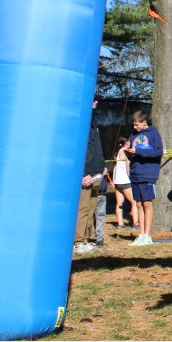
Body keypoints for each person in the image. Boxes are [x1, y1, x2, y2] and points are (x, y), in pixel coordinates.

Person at [128, 109, 163, 246]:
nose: (134, 127)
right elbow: (134, 150)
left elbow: (158, 151)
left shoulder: (153, 133)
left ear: (144, 122)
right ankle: (141, 234)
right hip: (135, 172)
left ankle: (148, 235)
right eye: (133, 125)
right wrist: (130, 153)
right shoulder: (133, 135)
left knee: (147, 203)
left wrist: (139, 151)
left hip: (148, 173)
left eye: (137, 125)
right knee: (138, 204)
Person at [74, 98, 105, 254]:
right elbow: (83, 150)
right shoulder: (82, 123)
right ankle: (77, 241)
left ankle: (85, 239)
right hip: (86, 173)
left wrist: (102, 166)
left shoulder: (93, 123)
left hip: (96, 172)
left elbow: (96, 148)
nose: (96, 102)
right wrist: (84, 173)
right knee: (83, 208)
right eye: (93, 100)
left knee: (91, 208)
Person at [112, 136, 138, 230]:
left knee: (119, 203)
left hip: (117, 181)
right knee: (134, 202)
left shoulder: (117, 152)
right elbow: (128, 167)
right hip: (125, 181)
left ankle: (120, 224)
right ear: (126, 142)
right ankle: (136, 223)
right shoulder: (124, 152)